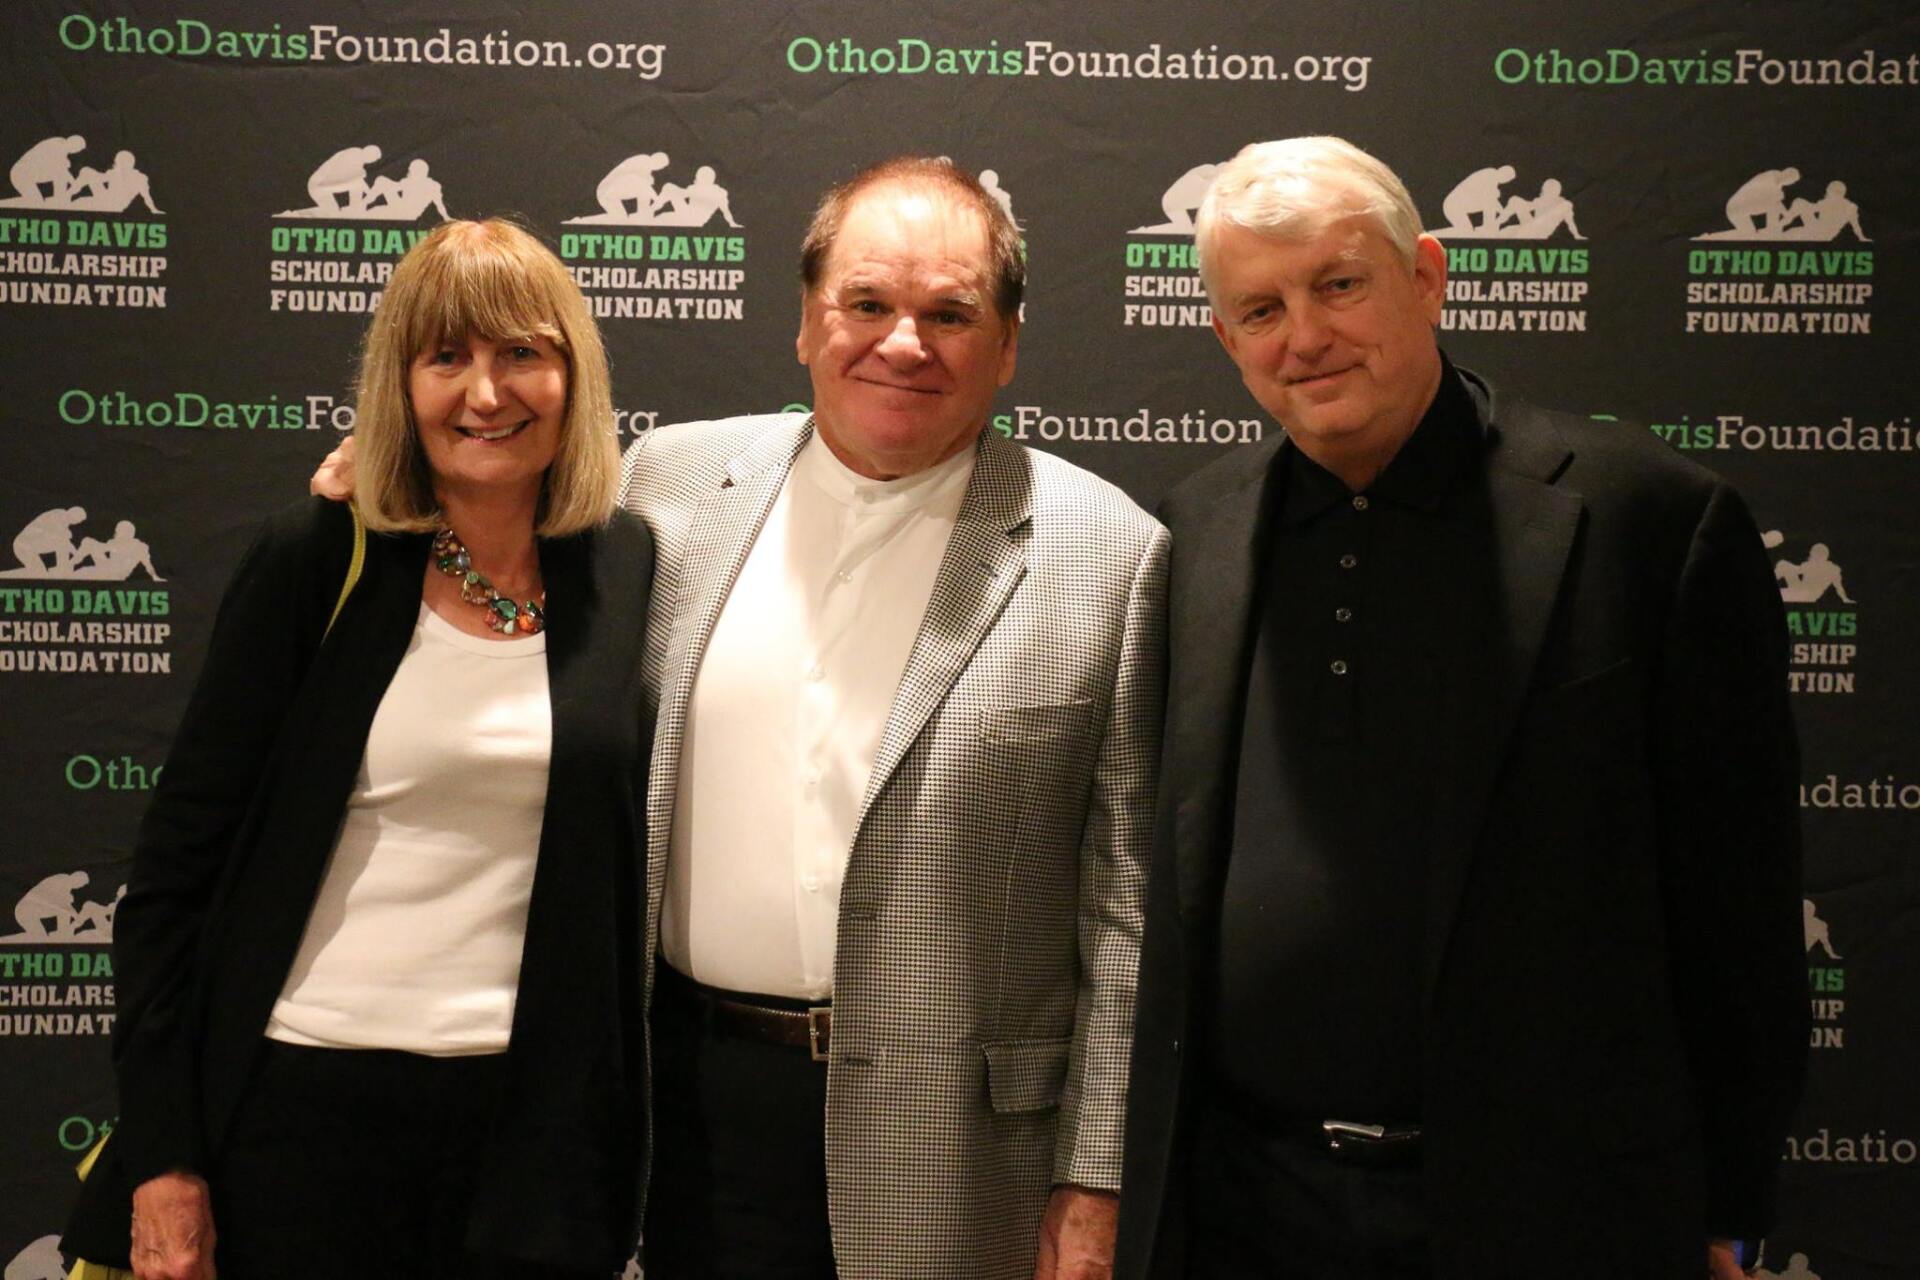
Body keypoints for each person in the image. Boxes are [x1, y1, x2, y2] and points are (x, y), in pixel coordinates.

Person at [320, 155, 1166, 1278]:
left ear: (1007, 344)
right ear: (807, 324)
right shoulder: (662, 488)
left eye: (949, 313)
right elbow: (487, 513)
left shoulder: (1112, 551)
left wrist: (1096, 1174)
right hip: (679, 1120)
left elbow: (1128, 909)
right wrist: (378, 484)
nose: (902, 343)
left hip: (958, 1156)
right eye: (865, 303)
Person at [1116, 136, 1807, 1279]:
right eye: (1261, 307)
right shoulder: (1190, 531)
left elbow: (1739, 907)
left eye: (1340, 284)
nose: (1307, 335)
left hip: (1558, 1212)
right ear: (1224, 336)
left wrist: (1728, 1202)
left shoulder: (1647, 521)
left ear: (1427, 276)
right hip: (1244, 1209)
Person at [65, 219, 654, 1280]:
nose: (486, 392)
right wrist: (163, 1155)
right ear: (401, 382)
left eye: (521, 351)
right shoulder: (317, 555)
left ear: (574, 373)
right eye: (447, 358)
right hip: (300, 1118)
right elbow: (171, 881)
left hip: (533, 1143)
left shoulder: (627, 565)